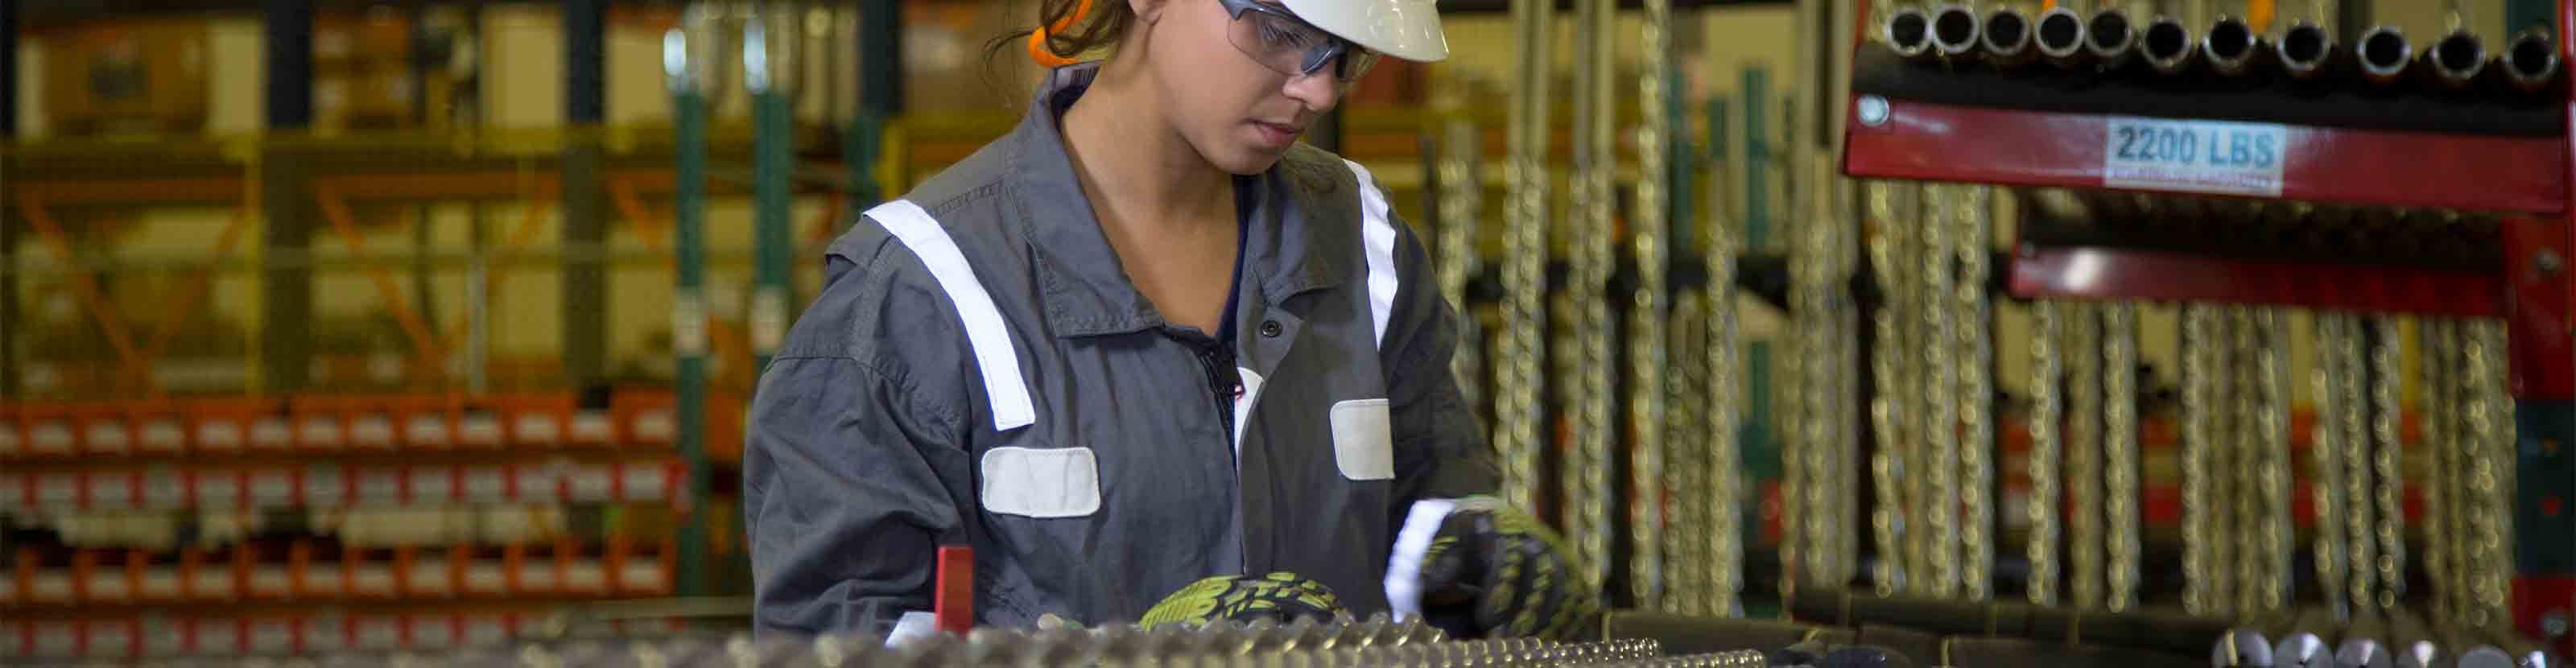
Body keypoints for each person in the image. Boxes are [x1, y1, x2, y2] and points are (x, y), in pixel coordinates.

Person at [741, 0, 1601, 643]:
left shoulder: (1361, 242)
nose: (1315, 87)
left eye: (1345, 56)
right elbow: (833, 639)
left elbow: (1425, 498)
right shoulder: (921, 293)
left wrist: (1475, 555)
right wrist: (1133, 658)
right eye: (1273, 29)